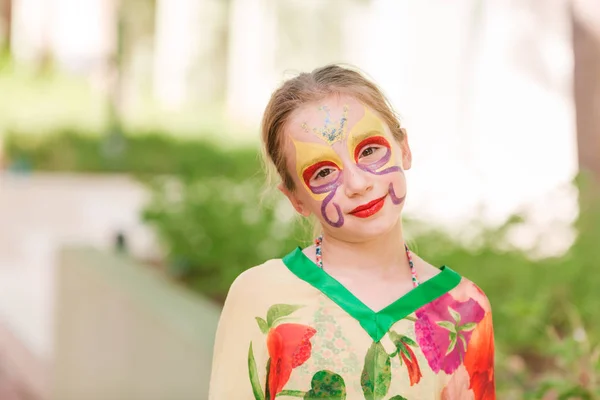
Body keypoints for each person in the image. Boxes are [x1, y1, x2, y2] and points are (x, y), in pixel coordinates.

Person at [208, 65, 495, 400]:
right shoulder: (259, 295)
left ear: (404, 148)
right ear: (297, 199)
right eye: (324, 171)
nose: (358, 184)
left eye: (370, 150)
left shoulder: (463, 307)